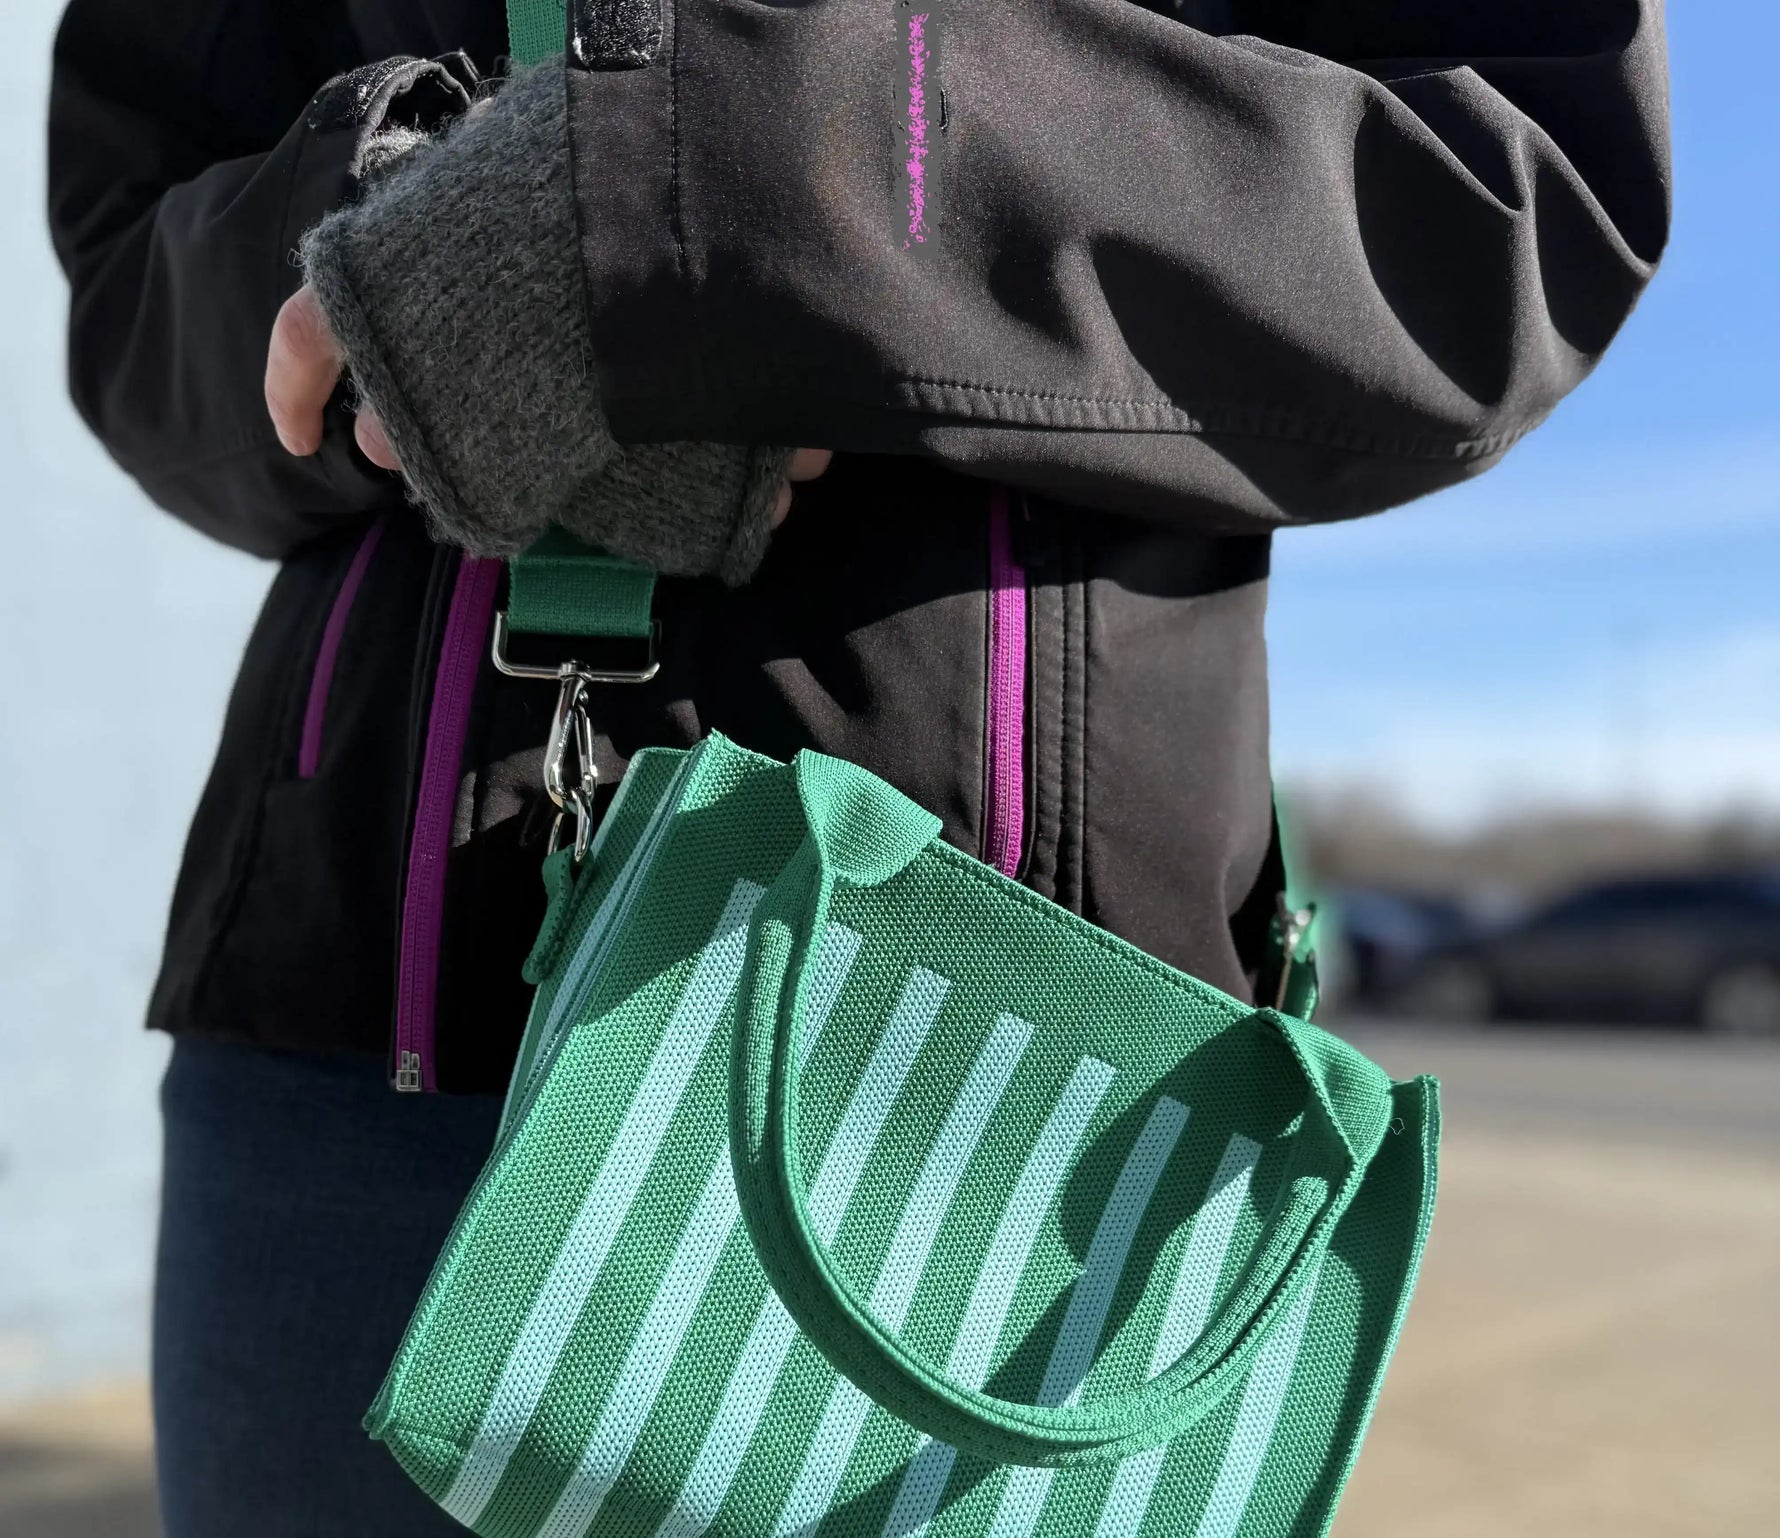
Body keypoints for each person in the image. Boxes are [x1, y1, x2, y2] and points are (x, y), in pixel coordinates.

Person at [48, 2, 1669, 1533]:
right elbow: (134, 285)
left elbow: (1504, 196)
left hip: (1030, 1089)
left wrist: (708, 198)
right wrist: (403, 255)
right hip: (358, 1075)